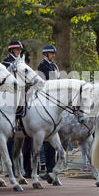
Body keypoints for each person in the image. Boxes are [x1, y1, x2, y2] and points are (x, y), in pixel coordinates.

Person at [38, 44, 60, 180]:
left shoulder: (55, 66)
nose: (53, 55)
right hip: (45, 97)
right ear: (46, 54)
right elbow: (44, 83)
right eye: (51, 53)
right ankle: (46, 165)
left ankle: (51, 167)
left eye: (53, 53)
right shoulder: (42, 66)